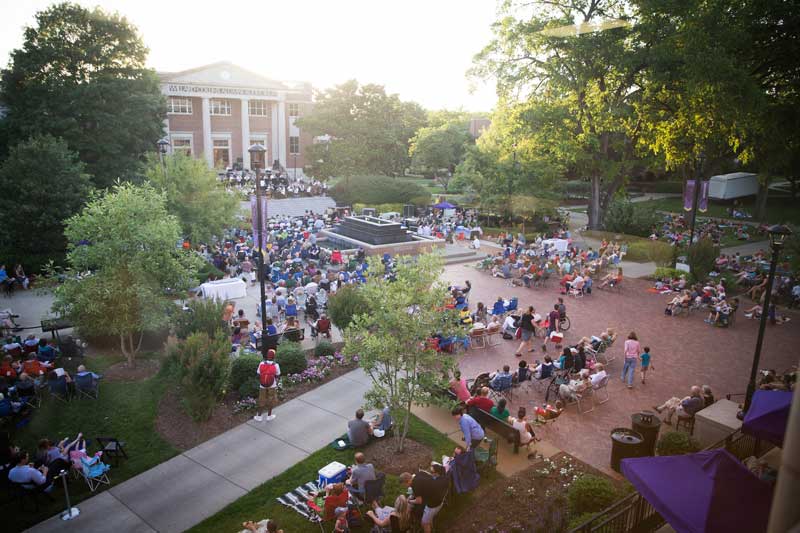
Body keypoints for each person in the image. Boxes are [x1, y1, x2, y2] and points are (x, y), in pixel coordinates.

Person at [409, 463, 449, 533]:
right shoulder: (444, 478)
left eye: (432, 472)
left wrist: (410, 501)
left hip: (433, 506)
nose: (430, 473)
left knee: (424, 523)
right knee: (429, 519)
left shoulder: (434, 483)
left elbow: (420, 500)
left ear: (437, 473)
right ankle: (433, 529)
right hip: (440, 501)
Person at [253, 349, 280, 422]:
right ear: (274, 356)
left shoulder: (261, 363)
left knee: (262, 399)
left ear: (267, 356)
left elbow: (258, 374)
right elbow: (277, 375)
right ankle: (269, 416)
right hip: (272, 385)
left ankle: (259, 416)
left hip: (262, 385)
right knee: (271, 399)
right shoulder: (276, 365)